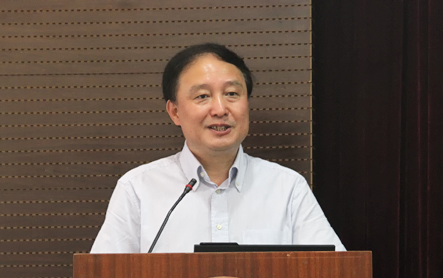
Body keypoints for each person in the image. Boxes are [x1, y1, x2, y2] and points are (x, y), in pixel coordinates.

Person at [90, 43, 345, 253]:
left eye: (232, 94)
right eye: (202, 96)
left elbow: (334, 277)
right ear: (175, 111)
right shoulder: (138, 189)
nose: (220, 109)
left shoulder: (286, 188)